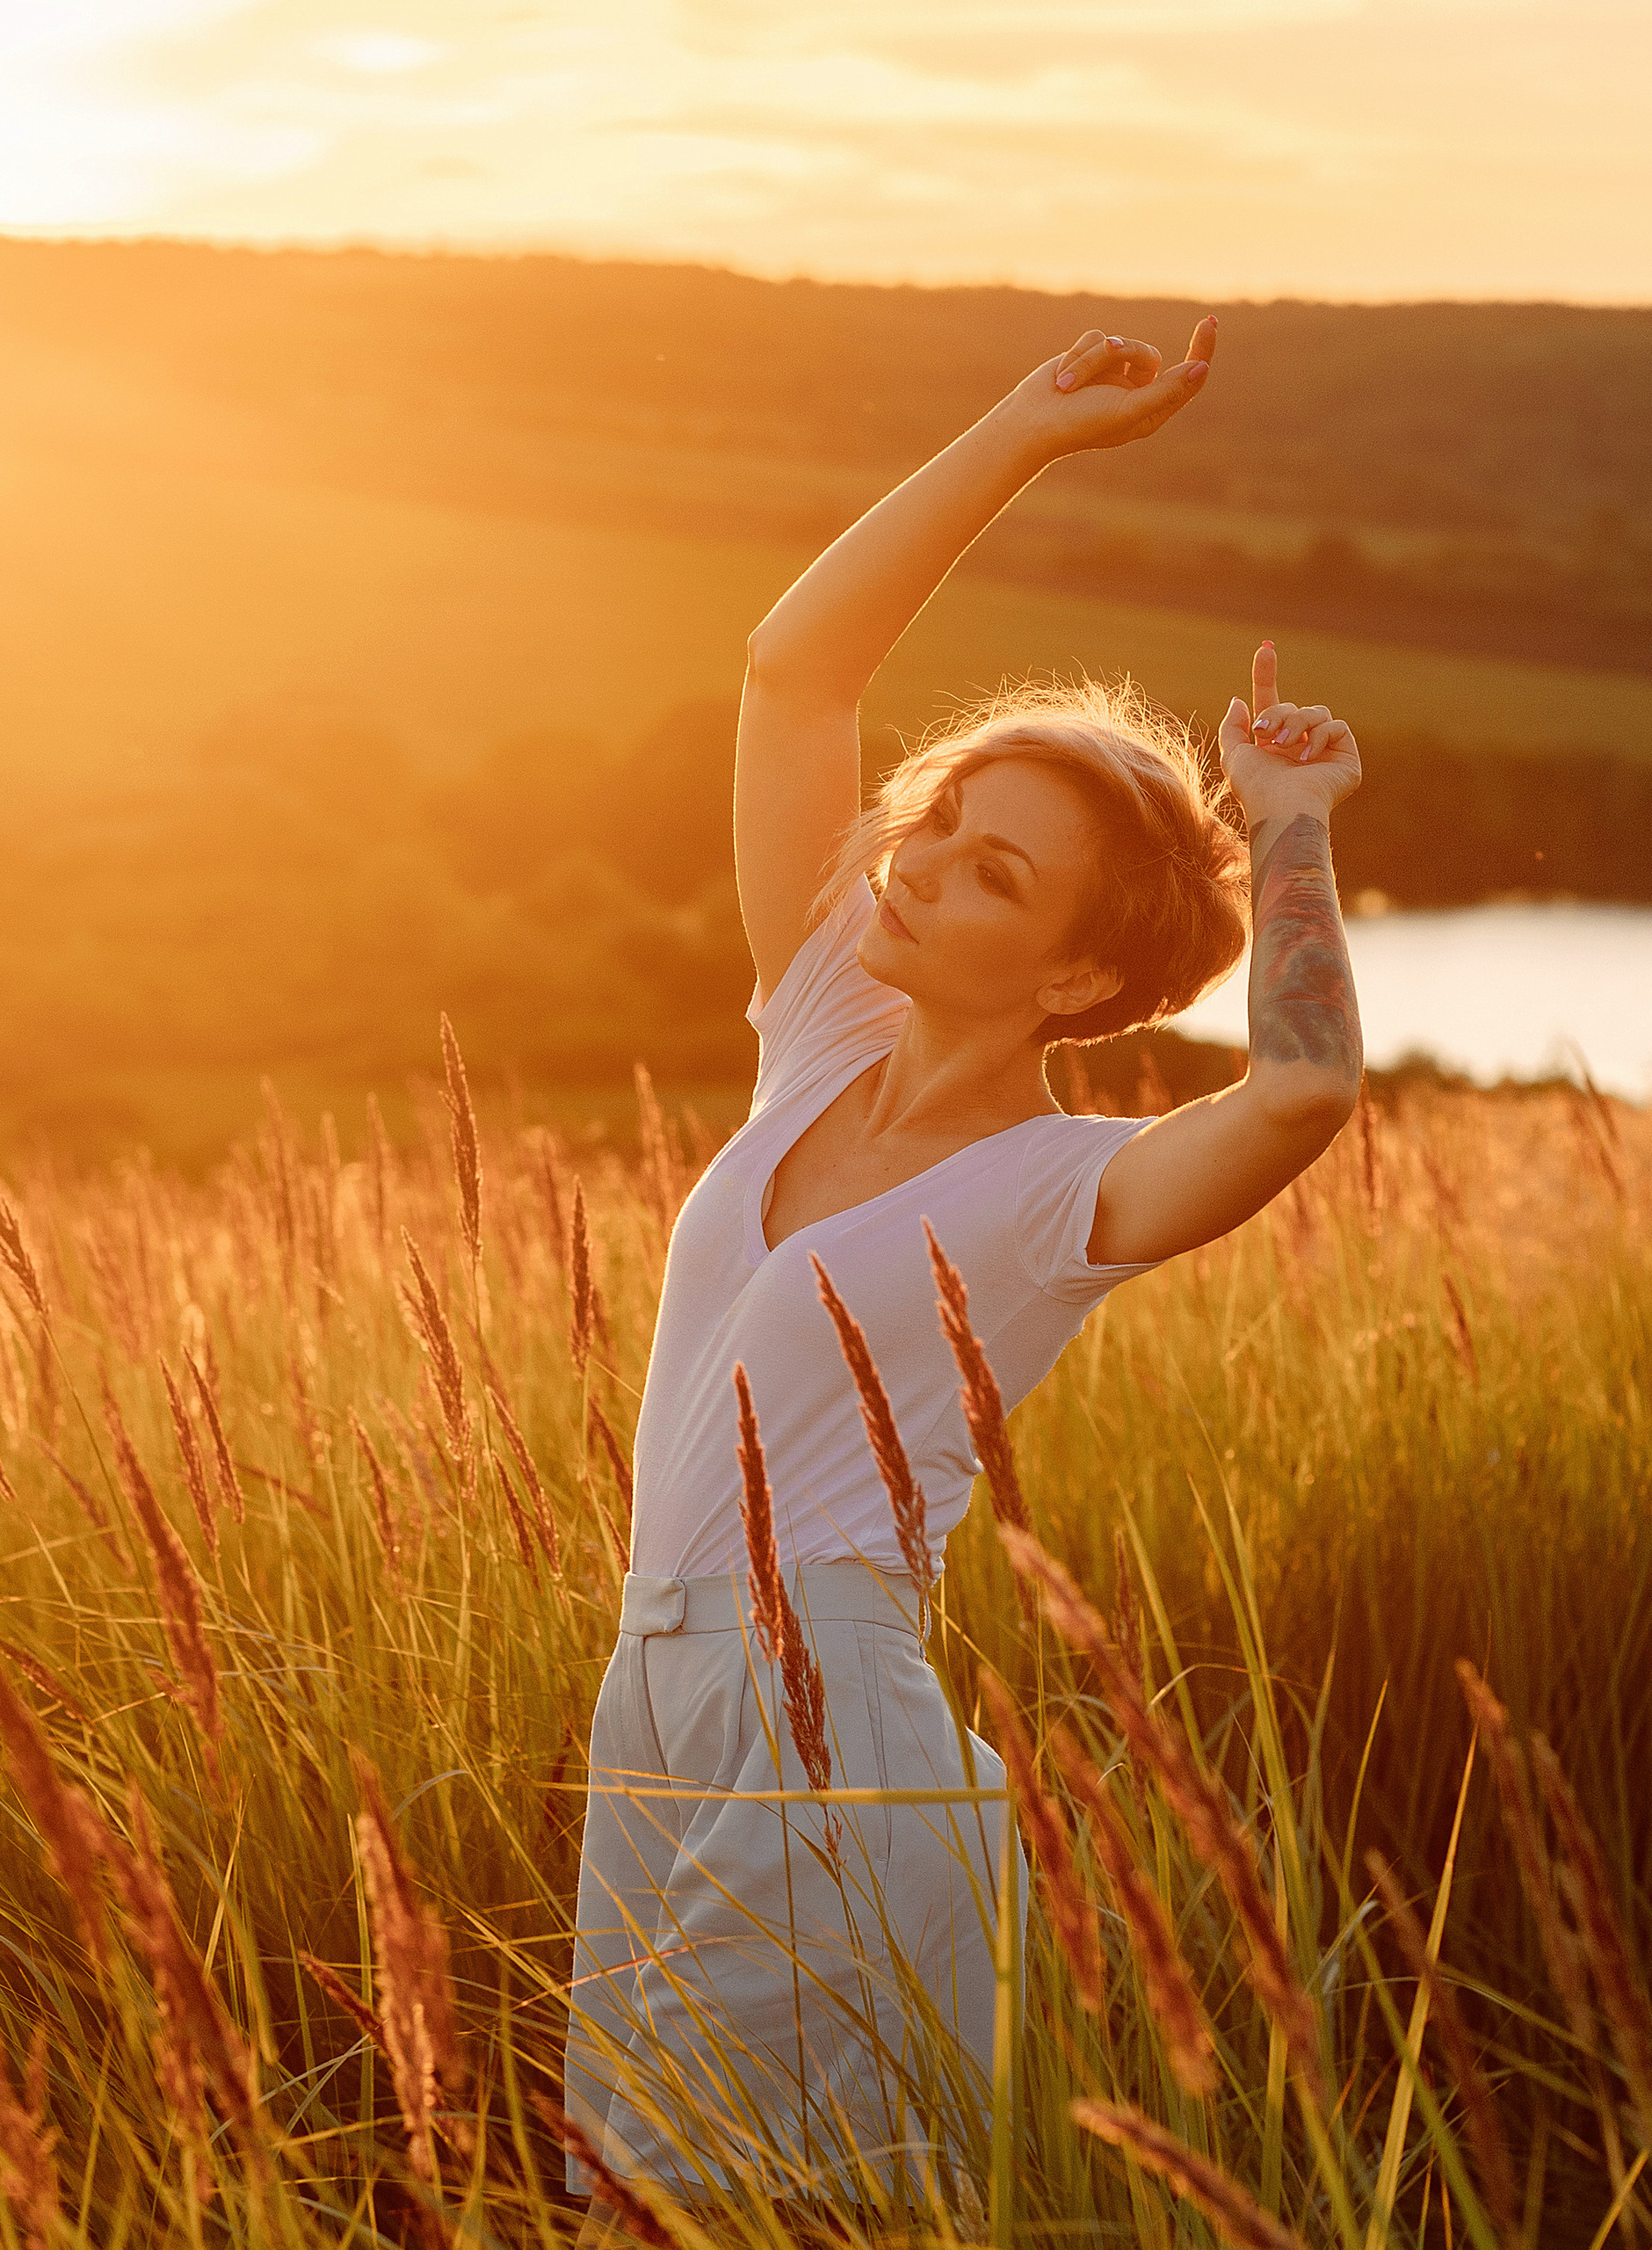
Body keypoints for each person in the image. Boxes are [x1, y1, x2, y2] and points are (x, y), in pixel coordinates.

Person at [562, 316, 1365, 2220]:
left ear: (1081, 978)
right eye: (939, 828)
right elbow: (789, 670)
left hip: (821, 1701)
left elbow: (1306, 1083)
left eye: (995, 872)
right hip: (652, 1686)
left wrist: (1299, 835)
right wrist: (1025, 427)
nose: (917, 866)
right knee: (622, 2184)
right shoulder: (821, 1028)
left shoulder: (1056, 1190)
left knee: (724, 2201)